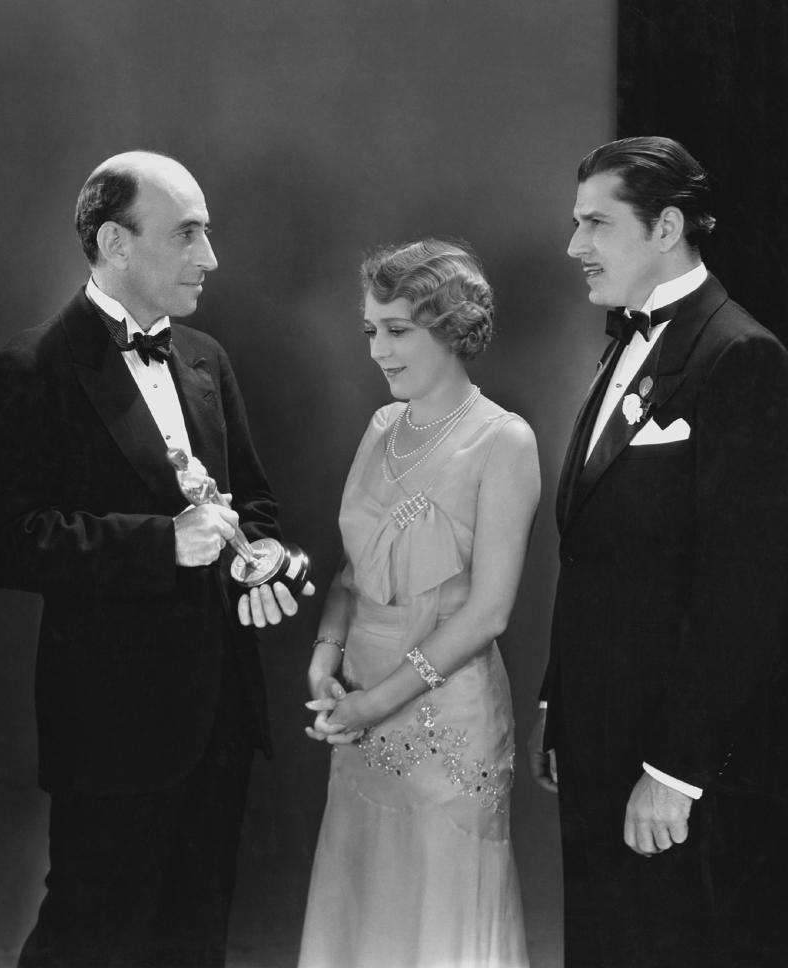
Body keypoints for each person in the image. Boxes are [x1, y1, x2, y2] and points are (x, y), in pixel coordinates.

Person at [0, 150, 310, 968]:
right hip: (112, 727)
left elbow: (253, 508)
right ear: (116, 243)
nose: (211, 258)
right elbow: (1, 542)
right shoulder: (30, 368)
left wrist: (267, 560)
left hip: (219, 717)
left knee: (196, 942)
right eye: (189, 234)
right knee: (90, 939)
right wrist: (163, 543)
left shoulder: (207, 359)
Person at [528, 137, 788, 967]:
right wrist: (559, 699)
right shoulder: (625, 340)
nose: (575, 246)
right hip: (595, 736)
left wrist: (677, 770)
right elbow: (595, 551)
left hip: (665, 755)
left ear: (667, 227)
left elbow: (746, 591)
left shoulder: (741, 356)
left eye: (595, 224)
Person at [300, 239, 539, 968]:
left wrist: (373, 705)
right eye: (371, 330)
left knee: (439, 916)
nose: (378, 350)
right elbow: (352, 570)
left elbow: (488, 614)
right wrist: (325, 658)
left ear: (452, 327)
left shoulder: (504, 440)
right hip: (357, 703)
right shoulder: (380, 428)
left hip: (445, 719)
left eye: (398, 330)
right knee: (366, 903)